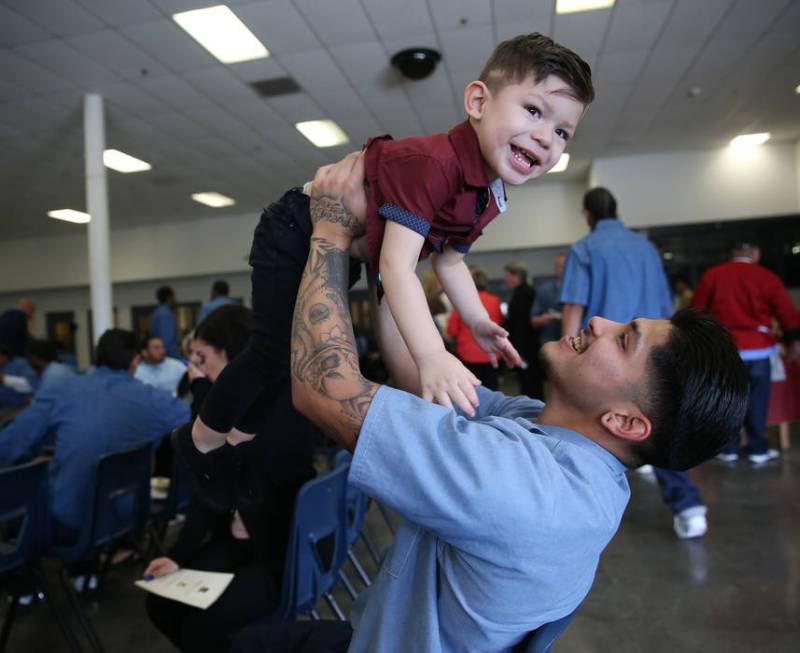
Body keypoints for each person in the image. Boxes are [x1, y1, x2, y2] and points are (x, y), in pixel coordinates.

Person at [278, 174, 747, 651]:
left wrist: (331, 228)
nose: (600, 321)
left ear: (625, 422)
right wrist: (390, 261)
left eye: (624, 339)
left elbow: (323, 390)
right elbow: (422, 385)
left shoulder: (526, 484)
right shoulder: (554, 436)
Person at [191, 32, 592, 449]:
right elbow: (396, 268)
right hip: (295, 227)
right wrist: (432, 355)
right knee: (272, 348)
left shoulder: (489, 194)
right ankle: (200, 441)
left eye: (563, 132)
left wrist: (474, 320)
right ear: (477, 102)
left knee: (296, 355)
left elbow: (449, 262)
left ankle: (236, 441)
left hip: (350, 246)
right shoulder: (434, 165)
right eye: (533, 111)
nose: (547, 138)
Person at [147, 305, 317, 653]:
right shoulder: (245, 403)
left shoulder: (281, 401)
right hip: (248, 538)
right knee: (160, 603)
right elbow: (208, 493)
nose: (196, 370)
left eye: (201, 358)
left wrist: (204, 400)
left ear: (230, 356)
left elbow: (222, 477)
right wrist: (178, 557)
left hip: (279, 552)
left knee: (200, 630)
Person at [560, 187, 710, 539]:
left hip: (606, 356)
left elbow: (574, 307)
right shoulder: (645, 248)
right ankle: (687, 505)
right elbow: (666, 303)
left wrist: (566, 355)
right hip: (655, 351)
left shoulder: (585, 248)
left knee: (585, 428)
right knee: (655, 422)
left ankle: (575, 519)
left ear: (587, 214)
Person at [0, 329, 190, 544]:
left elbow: (6, 445)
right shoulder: (155, 400)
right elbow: (200, 422)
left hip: (69, 522)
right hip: (129, 518)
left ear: (96, 357)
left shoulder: (63, 390)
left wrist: (32, 465)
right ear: (136, 360)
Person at [692, 242, 800, 464]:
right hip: (759, 349)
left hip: (727, 350)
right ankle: (757, 449)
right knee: (758, 401)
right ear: (755, 253)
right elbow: (785, 311)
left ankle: (729, 448)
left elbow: (697, 309)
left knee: (728, 401)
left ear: (732, 253)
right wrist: (793, 339)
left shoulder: (714, 275)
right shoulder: (766, 276)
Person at [446, 267, 504, 390]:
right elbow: (500, 323)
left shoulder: (461, 302)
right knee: (492, 388)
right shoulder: (495, 300)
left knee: (473, 391)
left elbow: (452, 330)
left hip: (468, 355)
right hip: (491, 352)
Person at [504, 261, 542, 398]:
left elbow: (521, 322)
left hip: (526, 343)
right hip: (524, 341)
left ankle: (533, 406)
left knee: (529, 377)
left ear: (517, 276)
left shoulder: (525, 293)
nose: (506, 279)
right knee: (526, 377)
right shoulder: (520, 292)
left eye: (508, 275)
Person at [150, 286, 182, 362]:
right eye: (174, 297)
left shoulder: (156, 313)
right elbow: (167, 342)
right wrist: (177, 360)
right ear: (169, 298)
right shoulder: (166, 314)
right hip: (169, 358)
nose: (175, 300)